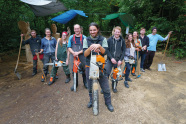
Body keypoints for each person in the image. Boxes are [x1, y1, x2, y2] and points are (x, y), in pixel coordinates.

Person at [83, 22, 114, 112]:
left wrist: (99, 46)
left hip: (100, 66)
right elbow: (85, 54)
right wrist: (91, 47)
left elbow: (105, 52)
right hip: (89, 66)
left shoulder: (103, 39)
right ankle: (92, 101)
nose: (92, 32)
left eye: (94, 30)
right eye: (91, 30)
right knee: (90, 86)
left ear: (98, 30)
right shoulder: (86, 40)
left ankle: (108, 103)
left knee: (105, 86)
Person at [105, 26, 126, 93]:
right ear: (113, 32)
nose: (117, 33)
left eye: (118, 32)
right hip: (110, 60)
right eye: (116, 32)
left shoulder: (122, 41)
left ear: (120, 33)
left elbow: (124, 51)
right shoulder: (109, 40)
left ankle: (114, 86)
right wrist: (111, 58)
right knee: (106, 73)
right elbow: (107, 50)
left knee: (116, 74)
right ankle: (104, 87)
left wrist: (120, 60)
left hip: (118, 61)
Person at [67, 24, 88, 91]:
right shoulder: (71, 37)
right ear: (74, 29)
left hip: (82, 55)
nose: (77, 30)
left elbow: (86, 48)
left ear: (80, 29)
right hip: (73, 55)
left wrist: (78, 53)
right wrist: (73, 53)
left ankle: (85, 83)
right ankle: (75, 84)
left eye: (78, 28)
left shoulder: (84, 37)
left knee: (84, 69)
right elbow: (68, 47)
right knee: (73, 70)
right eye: (75, 29)